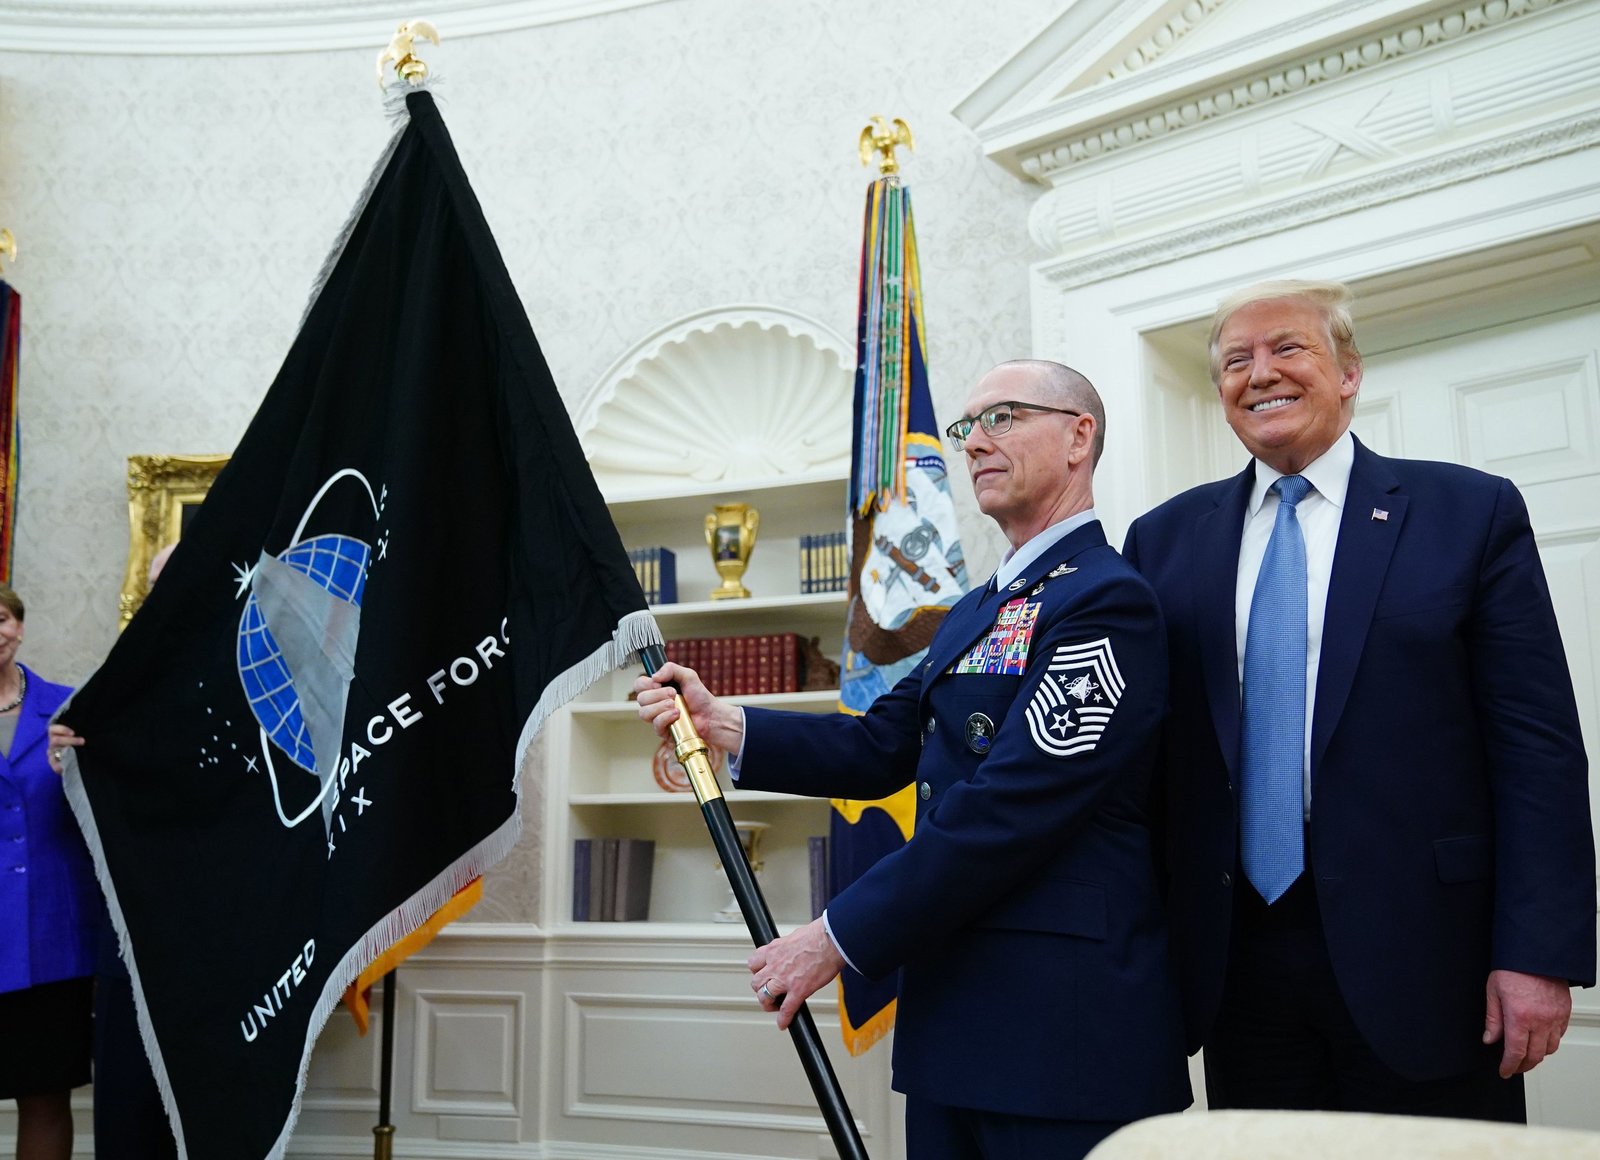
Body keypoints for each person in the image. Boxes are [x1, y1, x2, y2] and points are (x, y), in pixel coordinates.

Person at [637, 360, 1189, 1159]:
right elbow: (877, 746)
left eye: (1004, 417)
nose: (974, 444)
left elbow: (1014, 802)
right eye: (967, 428)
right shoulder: (976, 608)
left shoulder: (1107, 599)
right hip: (953, 1015)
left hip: (1062, 1031)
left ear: (1079, 436)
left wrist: (835, 935)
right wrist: (722, 720)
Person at [1121, 279, 1596, 1120]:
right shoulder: (1162, 539)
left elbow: (1537, 748)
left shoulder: (1468, 511)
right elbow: (1148, 759)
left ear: (1348, 373)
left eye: (1287, 348)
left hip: (1429, 957)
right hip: (1236, 959)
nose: (1259, 372)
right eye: (1236, 360)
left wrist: (1539, 952)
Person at [50, 545, 179, 1160]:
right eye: (158, 584)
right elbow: (82, 814)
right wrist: (64, 763)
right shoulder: (115, 682)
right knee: (130, 1112)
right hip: (128, 933)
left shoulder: (262, 672)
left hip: (227, 941)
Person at [0, 584, 93, 1160]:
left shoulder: (68, 709)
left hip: (49, 940)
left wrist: (80, 772)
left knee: (43, 1097)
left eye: (3, 617)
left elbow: (112, 812)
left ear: (19, 628)